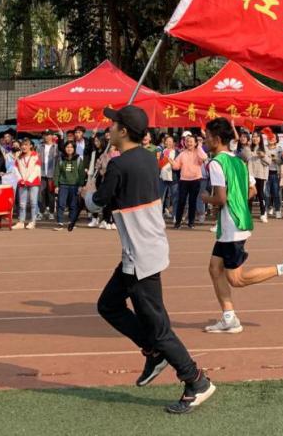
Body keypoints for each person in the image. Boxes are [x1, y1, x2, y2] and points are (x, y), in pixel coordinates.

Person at [89, 106, 214, 414]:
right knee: (108, 305)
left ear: (123, 131)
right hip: (144, 250)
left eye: (113, 124)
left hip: (141, 256)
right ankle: (153, 352)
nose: (109, 128)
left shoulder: (119, 165)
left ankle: (195, 380)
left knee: (159, 328)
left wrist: (89, 189)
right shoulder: (146, 157)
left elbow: (97, 203)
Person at [199, 117, 283, 335]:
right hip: (236, 222)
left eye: (208, 137)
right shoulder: (239, 161)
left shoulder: (216, 163)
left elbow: (220, 198)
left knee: (236, 279)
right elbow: (252, 190)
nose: (205, 141)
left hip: (231, 226)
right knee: (214, 268)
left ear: (217, 139)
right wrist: (237, 201)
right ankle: (229, 318)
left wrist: (206, 199)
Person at [172, 133, 206, 229]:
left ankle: (191, 222)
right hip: (184, 180)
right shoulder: (182, 154)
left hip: (195, 180)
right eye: (187, 141)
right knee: (181, 201)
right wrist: (173, 163)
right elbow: (177, 166)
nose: (189, 143)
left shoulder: (198, 153)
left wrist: (199, 147)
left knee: (192, 201)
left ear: (195, 143)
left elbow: (204, 157)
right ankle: (178, 222)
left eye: (191, 141)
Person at [55, 141, 85, 230]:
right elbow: (56, 173)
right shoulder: (61, 159)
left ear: (74, 149)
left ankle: (72, 222)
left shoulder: (78, 159)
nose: (69, 149)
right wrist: (56, 185)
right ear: (64, 148)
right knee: (61, 204)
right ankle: (60, 222)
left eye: (71, 147)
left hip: (74, 185)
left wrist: (80, 185)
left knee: (73, 205)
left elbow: (82, 174)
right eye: (67, 147)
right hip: (63, 185)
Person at [13, 139, 42, 230]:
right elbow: (15, 169)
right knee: (22, 204)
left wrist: (29, 180)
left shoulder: (35, 156)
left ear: (30, 146)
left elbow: (37, 169)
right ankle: (21, 222)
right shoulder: (19, 157)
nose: (24, 147)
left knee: (33, 203)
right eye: (22, 145)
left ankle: (33, 222)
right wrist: (20, 179)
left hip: (33, 182)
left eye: (26, 145)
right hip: (22, 183)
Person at [244, 132, 270, 223]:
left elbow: (269, 161)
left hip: (260, 174)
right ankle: (248, 214)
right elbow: (245, 158)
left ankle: (263, 213)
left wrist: (263, 156)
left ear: (260, 138)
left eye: (257, 137)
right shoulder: (249, 148)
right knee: (250, 194)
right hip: (251, 174)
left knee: (260, 195)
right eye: (253, 137)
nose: (255, 138)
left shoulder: (265, 148)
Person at [38, 133, 59, 222]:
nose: (46, 137)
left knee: (51, 194)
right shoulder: (39, 146)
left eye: (48, 135)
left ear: (52, 136)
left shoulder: (56, 147)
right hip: (41, 174)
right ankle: (41, 212)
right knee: (41, 194)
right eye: (45, 135)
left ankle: (51, 212)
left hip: (52, 174)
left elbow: (58, 161)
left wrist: (57, 174)